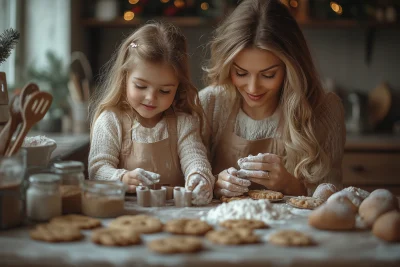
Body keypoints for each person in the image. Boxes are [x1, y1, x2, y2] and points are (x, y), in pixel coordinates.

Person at [199, 0, 345, 198]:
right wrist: (214, 184)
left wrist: (290, 185)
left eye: (268, 75)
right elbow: (184, 181)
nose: (252, 88)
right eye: (241, 73)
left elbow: (331, 196)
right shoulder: (210, 102)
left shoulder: (324, 109)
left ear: (292, 68)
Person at [89, 22, 214, 205]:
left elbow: (195, 158)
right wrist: (122, 179)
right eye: (141, 86)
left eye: (164, 91)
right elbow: (97, 170)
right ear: (124, 78)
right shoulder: (111, 120)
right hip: (126, 213)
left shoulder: (183, 123)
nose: (151, 98)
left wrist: (199, 177)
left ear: (178, 87)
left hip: (176, 212)